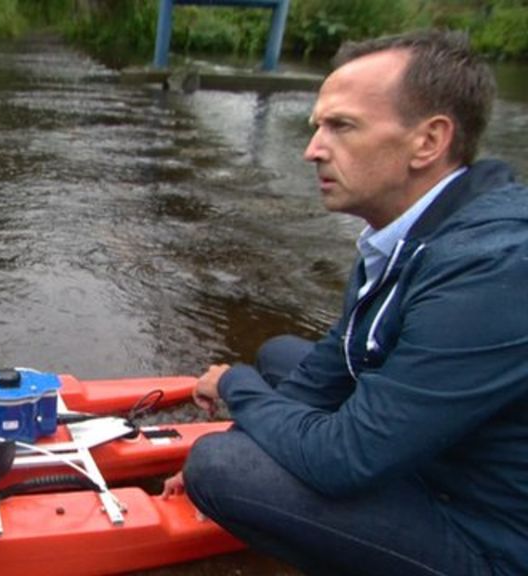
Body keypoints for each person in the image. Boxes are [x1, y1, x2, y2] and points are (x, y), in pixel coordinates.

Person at [162, 30, 527, 576]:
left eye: (341, 126)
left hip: (490, 537)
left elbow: (345, 459)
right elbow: (330, 365)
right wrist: (249, 423)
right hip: (439, 455)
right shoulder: (409, 227)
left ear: (428, 142)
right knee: (284, 355)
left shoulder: (495, 266)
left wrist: (236, 388)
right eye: (317, 127)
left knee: (220, 466)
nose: (313, 149)